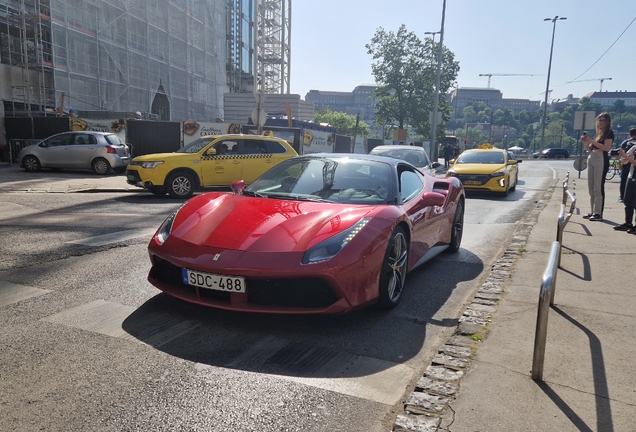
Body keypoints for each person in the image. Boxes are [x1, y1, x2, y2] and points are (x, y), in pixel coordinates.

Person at [581, 112, 614, 221]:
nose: (600, 122)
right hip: (592, 156)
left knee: (598, 187)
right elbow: (590, 149)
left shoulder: (609, 132)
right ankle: (593, 211)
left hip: (601, 158)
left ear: (607, 121)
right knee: (591, 186)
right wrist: (585, 142)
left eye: (603, 120)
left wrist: (591, 140)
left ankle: (598, 212)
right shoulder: (598, 133)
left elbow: (606, 148)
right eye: (599, 120)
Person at [614, 142, 636, 233]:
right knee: (627, 201)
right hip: (631, 176)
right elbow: (625, 160)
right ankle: (628, 223)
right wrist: (620, 157)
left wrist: (625, 156)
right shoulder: (634, 147)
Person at [617, 128, 636, 203]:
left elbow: (621, 154)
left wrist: (619, 164)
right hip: (633, 166)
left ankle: (622, 196)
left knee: (624, 181)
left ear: (630, 134)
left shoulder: (626, 142)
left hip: (626, 164)